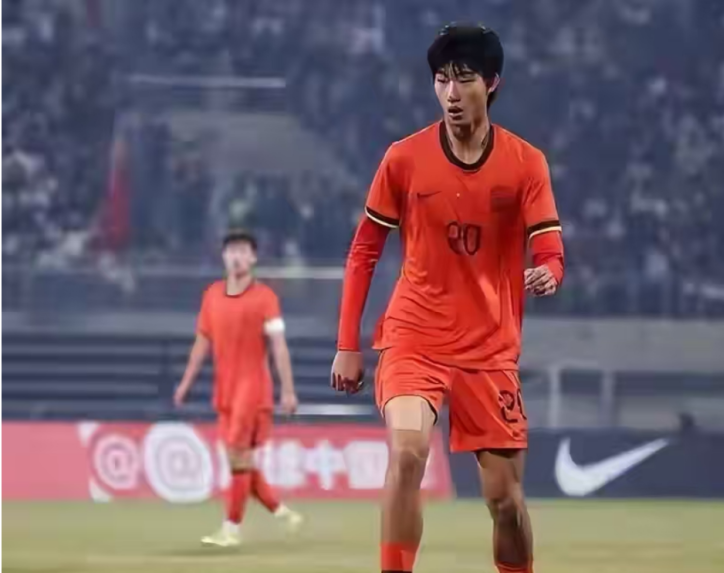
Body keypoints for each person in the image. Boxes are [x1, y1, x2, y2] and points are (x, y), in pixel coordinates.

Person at [331, 24, 564, 573]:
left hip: (490, 349)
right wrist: (347, 344)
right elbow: (364, 251)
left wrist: (550, 272)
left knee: (505, 501)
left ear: (493, 83)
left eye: (464, 79)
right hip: (414, 338)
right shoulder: (404, 159)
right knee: (408, 452)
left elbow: (550, 248)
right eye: (441, 80)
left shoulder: (526, 163)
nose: (451, 93)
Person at [174, 229, 302, 547]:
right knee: (238, 461)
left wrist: (288, 389)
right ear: (223, 256)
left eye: (243, 251)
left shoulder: (265, 297)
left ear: (253, 258)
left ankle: (231, 529)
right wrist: (186, 382)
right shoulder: (212, 295)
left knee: (237, 454)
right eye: (232, 250)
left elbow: (279, 346)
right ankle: (282, 512)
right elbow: (202, 342)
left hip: (252, 389)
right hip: (225, 391)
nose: (237, 257)